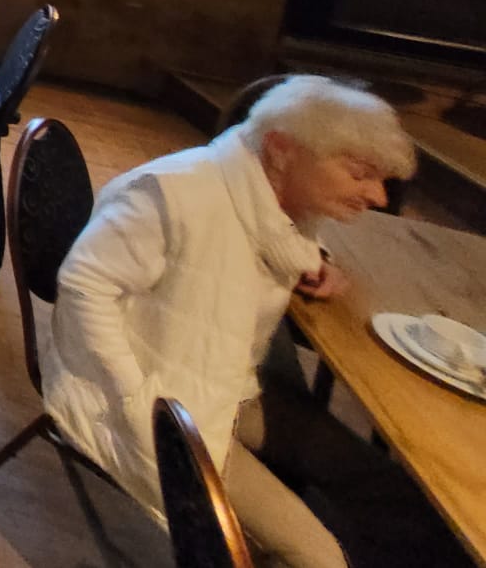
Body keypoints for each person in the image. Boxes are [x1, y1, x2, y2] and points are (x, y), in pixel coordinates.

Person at [44, 77, 452, 568]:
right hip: (161, 407)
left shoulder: (269, 196)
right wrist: (138, 399)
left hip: (227, 390)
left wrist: (313, 260)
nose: (379, 196)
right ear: (281, 149)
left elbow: (275, 237)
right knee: (320, 558)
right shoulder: (175, 193)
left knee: (384, 483)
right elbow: (84, 286)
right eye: (360, 174)